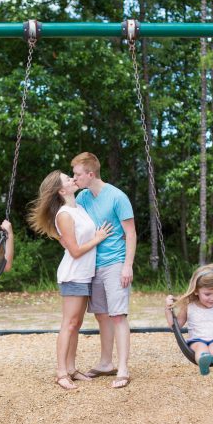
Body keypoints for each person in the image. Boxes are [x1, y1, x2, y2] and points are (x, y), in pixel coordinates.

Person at [28, 171, 114, 390]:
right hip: (74, 274)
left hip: (86, 274)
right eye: (67, 179)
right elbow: (75, 251)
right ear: (61, 190)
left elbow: (68, 242)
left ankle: (72, 369)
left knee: (76, 324)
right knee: (69, 323)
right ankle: (60, 372)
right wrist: (97, 239)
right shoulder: (64, 214)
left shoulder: (80, 209)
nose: (72, 179)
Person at [71, 152, 136, 389]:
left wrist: (127, 265)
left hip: (115, 262)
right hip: (92, 265)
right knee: (101, 315)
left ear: (90, 174)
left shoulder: (117, 197)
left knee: (118, 315)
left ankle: (123, 368)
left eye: (77, 174)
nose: (74, 178)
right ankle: (106, 363)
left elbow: (131, 233)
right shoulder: (82, 198)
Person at [164, 263, 213, 376]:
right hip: (196, 341)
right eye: (207, 294)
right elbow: (175, 325)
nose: (212, 298)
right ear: (196, 291)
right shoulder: (189, 306)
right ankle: (203, 363)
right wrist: (168, 309)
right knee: (201, 348)